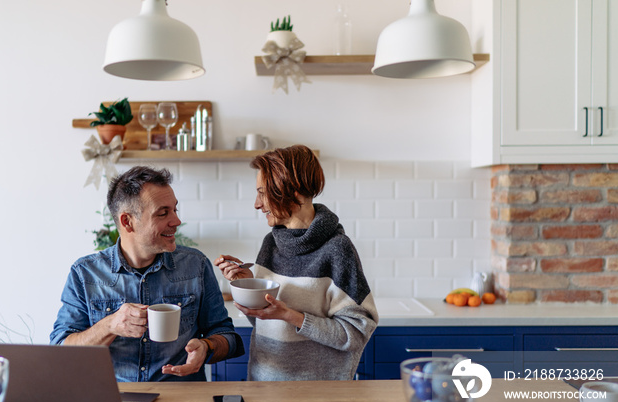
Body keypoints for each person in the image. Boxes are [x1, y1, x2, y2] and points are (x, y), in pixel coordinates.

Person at [51, 166, 244, 382]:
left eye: (174, 210)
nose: (176, 221)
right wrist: (110, 325)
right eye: (163, 213)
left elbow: (229, 338)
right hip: (115, 401)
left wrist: (207, 346)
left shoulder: (195, 265)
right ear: (127, 222)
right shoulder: (85, 273)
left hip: (181, 401)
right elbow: (61, 352)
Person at [215, 145, 378, 381]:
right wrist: (247, 286)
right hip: (263, 386)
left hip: (317, 396)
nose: (257, 204)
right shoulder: (270, 243)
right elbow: (263, 321)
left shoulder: (337, 250)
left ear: (293, 192)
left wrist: (292, 316)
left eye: (263, 192)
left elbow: (357, 333)